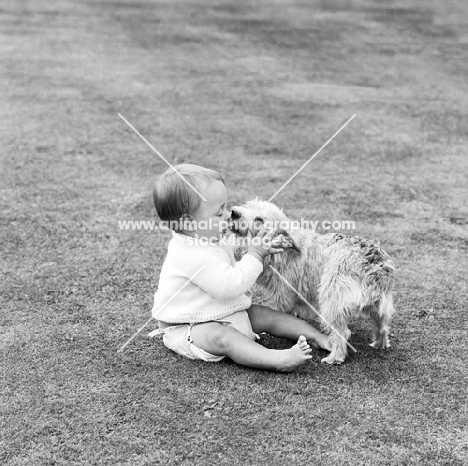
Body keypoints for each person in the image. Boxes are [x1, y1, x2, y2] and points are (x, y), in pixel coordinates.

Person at [149, 163, 330, 372]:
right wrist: (255, 255)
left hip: (221, 312)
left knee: (264, 315)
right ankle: (277, 359)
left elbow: (232, 253)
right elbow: (230, 287)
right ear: (189, 223)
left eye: (225, 207)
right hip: (191, 327)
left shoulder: (207, 236)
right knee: (224, 338)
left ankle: (317, 336)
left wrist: (262, 244)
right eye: (219, 213)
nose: (228, 214)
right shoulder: (191, 255)